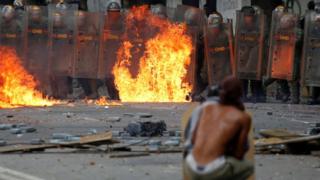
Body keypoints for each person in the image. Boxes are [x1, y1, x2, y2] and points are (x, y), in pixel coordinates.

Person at [184, 76, 253, 180]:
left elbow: (192, 140)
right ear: (240, 94)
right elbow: (239, 154)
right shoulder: (243, 117)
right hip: (213, 171)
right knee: (248, 167)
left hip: (190, 167)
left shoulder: (206, 108)